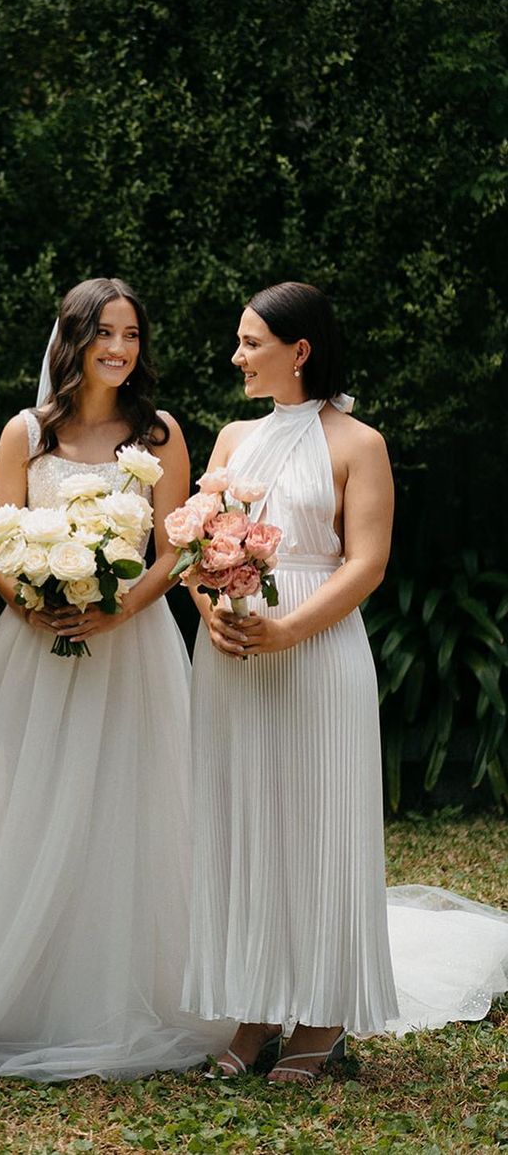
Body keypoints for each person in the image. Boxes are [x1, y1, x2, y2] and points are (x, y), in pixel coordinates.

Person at [0, 277, 231, 1080]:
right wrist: (31, 602)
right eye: (105, 332)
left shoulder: (160, 432)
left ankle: (123, 985)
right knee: (25, 801)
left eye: (132, 334)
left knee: (131, 801)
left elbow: (175, 545)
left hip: (131, 646)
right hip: (36, 648)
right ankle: (17, 986)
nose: (120, 348)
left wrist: (118, 608)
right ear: (72, 338)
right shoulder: (25, 432)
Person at [183, 281, 508, 1085]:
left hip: (318, 650)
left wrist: (290, 627)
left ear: (300, 351)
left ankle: (322, 1021)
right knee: (243, 818)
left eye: (251, 342)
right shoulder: (228, 437)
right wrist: (208, 609)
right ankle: (255, 1007)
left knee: (316, 817)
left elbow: (367, 561)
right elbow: (195, 541)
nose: (237, 356)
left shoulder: (358, 442)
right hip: (230, 653)